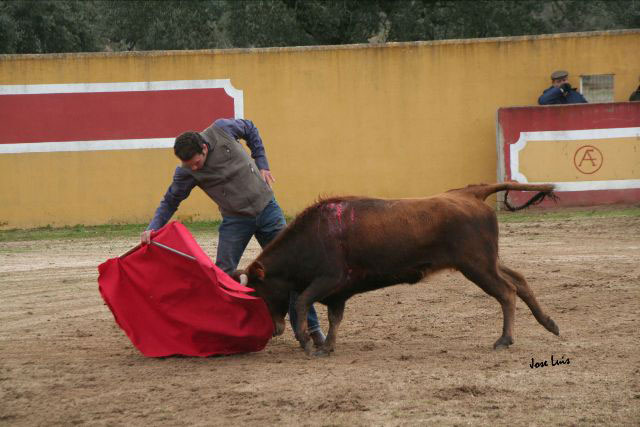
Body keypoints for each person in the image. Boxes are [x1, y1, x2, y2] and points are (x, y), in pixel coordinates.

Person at [141, 118, 325, 348]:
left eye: (197, 162)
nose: (195, 168)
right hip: (235, 220)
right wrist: (153, 227)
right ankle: (232, 331)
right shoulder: (186, 172)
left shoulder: (222, 129)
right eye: (190, 165)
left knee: (292, 268)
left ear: (205, 147)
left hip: (268, 208)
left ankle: (310, 329)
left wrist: (262, 162)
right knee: (222, 276)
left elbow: (250, 128)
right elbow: (170, 201)